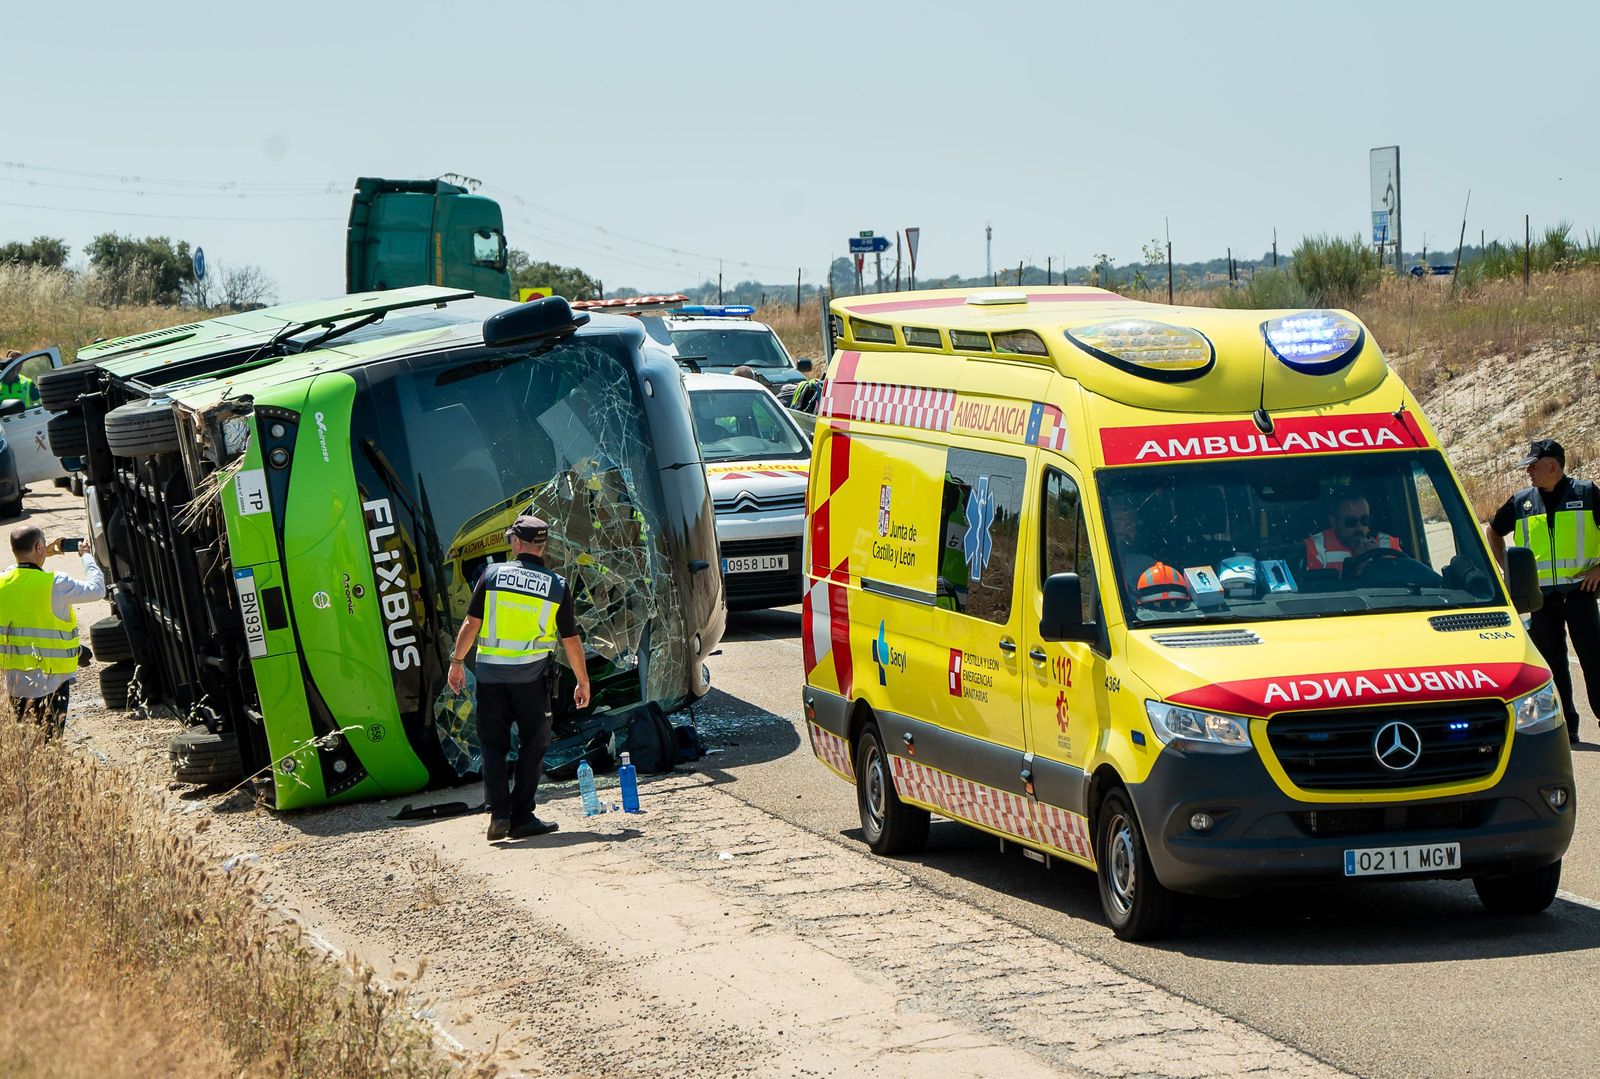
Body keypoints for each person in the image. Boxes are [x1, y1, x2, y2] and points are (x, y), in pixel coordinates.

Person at [448, 515, 592, 841]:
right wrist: (583, 681)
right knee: (536, 742)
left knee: (492, 746)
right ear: (542, 546)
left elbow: (470, 625)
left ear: (516, 542)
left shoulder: (492, 574)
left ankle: (499, 815)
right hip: (531, 679)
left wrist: (456, 662)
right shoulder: (557, 585)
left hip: (490, 677)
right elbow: (571, 640)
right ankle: (522, 815)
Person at [1485, 438, 1600, 744]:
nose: (1529, 473)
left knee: (1594, 658)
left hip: (1579, 593)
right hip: (1539, 600)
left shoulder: (1587, 494)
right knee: (1552, 664)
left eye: (1533, 466)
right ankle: (1566, 729)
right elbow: (1493, 532)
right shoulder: (1521, 501)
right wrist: (1508, 571)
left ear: (1552, 465)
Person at [0, 526, 105, 738]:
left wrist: (40, 553)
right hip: (52, 682)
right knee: (49, 744)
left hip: (16, 683)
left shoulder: (3, 582)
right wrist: (86, 556)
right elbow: (97, 589)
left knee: (25, 746)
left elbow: (15, 572)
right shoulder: (55, 583)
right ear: (39, 546)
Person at [1304, 488, 1401, 572]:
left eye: (1364, 520)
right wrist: (1356, 563)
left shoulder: (1387, 544)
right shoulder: (1316, 548)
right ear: (1334, 522)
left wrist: (1379, 557)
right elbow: (1318, 590)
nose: (1359, 527)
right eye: (1350, 521)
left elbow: (1403, 582)